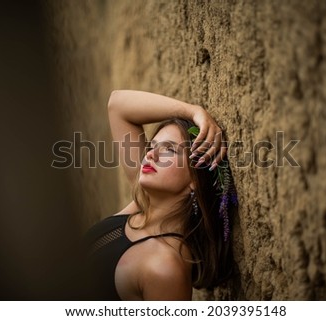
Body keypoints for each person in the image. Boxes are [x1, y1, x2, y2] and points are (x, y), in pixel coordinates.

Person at [84, 90, 237, 300]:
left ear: (195, 180)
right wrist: (193, 111)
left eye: (170, 150)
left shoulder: (166, 268)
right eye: (152, 146)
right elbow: (117, 105)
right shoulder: (141, 204)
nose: (150, 154)